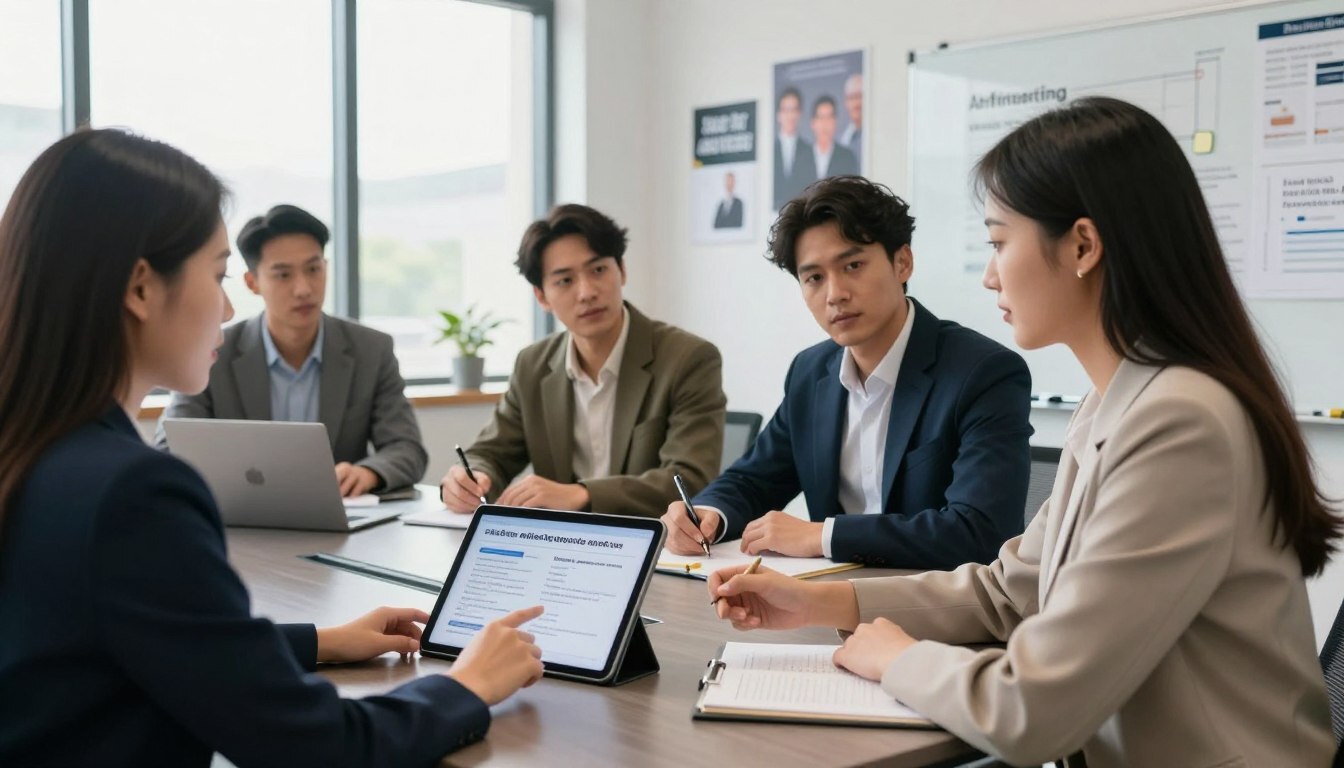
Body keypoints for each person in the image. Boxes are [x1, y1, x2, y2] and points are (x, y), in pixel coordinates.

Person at [705, 98, 1339, 767]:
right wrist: (814, 599)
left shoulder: (1179, 423)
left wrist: (899, 657)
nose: (988, 273)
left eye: (1000, 242)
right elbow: (1012, 589)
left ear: (1083, 246)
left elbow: (1033, 710)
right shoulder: (1115, 402)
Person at [0, 129, 546, 765]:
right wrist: (466, 686)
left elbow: (131, 638)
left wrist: (319, 641)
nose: (228, 304)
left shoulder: (35, 450)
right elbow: (314, 748)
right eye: (218, 273)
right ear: (141, 288)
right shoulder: (134, 494)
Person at [663, 175, 1032, 569]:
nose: (834, 293)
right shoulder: (810, 373)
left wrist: (822, 535)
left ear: (902, 262)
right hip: (826, 603)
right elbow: (754, 479)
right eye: (814, 278)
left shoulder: (983, 373)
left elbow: (979, 531)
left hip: (934, 609)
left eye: (852, 265)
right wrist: (708, 514)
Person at [441, 203, 726, 518]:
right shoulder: (532, 365)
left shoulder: (688, 358)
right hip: (561, 549)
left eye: (598, 270)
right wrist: (469, 480)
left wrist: (582, 494)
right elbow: (491, 454)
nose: (587, 292)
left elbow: (690, 478)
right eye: (565, 281)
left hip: (652, 543)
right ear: (542, 297)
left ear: (622, 270)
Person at [154, 204, 426, 496]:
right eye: (283, 275)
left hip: (343, 519)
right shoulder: (213, 352)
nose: (303, 289)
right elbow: (170, 445)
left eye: (313, 269)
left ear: (326, 267)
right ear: (252, 282)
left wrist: (369, 472)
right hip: (244, 518)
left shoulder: (371, 349)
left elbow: (406, 448)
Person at [772, 87, 817, 210]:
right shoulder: (770, 151)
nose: (790, 115)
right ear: (778, 115)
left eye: (794, 110)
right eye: (786, 110)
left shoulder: (810, 151)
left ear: (800, 113)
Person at [810, 95, 859, 179]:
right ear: (813, 123)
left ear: (835, 122)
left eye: (829, 118)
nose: (825, 124)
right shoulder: (801, 158)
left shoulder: (847, 157)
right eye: (821, 117)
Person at [839, 73, 863, 167]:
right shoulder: (843, 139)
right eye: (851, 98)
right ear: (846, 102)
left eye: (859, 96)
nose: (856, 104)